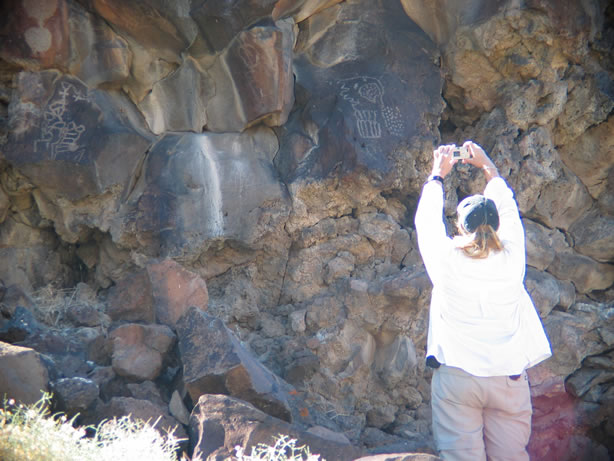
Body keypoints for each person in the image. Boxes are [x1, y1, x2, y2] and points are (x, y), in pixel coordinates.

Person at [414, 141, 552, 461]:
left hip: (458, 378)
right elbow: (509, 210)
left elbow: (426, 223)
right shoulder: (513, 258)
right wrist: (489, 168)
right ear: (497, 227)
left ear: (460, 226)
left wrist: (437, 174)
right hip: (508, 378)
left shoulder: (446, 260)